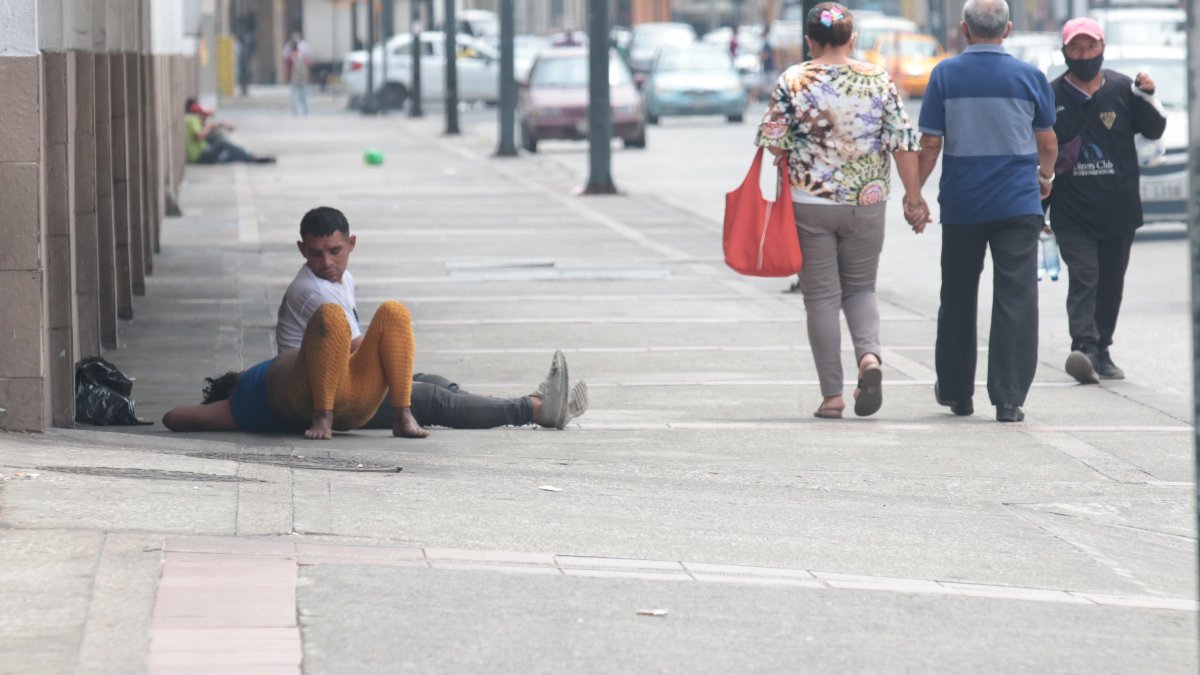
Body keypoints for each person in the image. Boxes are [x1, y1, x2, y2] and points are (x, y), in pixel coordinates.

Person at [756, 2, 925, 420]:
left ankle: (832, 396)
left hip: (809, 204)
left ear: (810, 41)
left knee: (821, 299)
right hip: (866, 204)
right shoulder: (878, 79)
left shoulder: (793, 80)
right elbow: (903, 142)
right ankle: (869, 359)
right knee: (861, 289)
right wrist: (914, 198)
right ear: (853, 40)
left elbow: (773, 143)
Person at [277, 206, 587, 430]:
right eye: (316, 254)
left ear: (352, 244)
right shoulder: (313, 291)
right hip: (325, 395)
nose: (327, 262)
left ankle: (525, 405)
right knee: (433, 399)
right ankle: (535, 409)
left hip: (345, 378)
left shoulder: (341, 279)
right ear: (303, 250)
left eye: (335, 251)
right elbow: (358, 350)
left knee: (433, 381)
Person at [916, 0, 1058, 422]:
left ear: (964, 29)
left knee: (957, 295)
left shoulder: (944, 74)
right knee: (1016, 297)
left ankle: (958, 393)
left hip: (962, 204)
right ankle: (1009, 398)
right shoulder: (1031, 76)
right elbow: (1047, 143)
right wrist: (1045, 177)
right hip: (1017, 203)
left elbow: (930, 143)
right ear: (1008, 30)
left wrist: (913, 195)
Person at [1047, 18, 1166, 384]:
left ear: (1103, 48)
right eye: (1076, 49)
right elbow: (1038, 148)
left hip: (1119, 207)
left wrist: (1146, 95)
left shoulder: (1122, 88)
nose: (1084, 55)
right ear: (1065, 52)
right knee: (1085, 275)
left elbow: (1154, 130)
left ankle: (1103, 349)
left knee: (1112, 281)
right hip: (1072, 210)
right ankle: (1083, 347)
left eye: (1091, 48)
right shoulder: (1051, 95)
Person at [163, 301, 428, 440]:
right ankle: (396, 414)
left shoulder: (242, 408)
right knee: (331, 315)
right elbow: (174, 417)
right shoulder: (237, 403)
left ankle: (403, 414)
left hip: (352, 393)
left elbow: (173, 418)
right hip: (317, 400)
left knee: (393, 312)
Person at [184, 98, 275, 164]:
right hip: (200, 157)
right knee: (222, 143)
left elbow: (205, 129)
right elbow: (199, 136)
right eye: (203, 116)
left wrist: (218, 125)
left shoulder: (191, 119)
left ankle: (252, 157)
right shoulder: (191, 119)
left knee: (230, 154)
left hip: (202, 155)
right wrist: (210, 127)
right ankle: (252, 157)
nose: (204, 119)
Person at [282, 33, 311, 116]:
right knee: (304, 96)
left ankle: (296, 112)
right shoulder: (302, 55)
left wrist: (287, 77)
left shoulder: (290, 56)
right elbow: (307, 65)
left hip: (294, 78)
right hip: (303, 78)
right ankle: (306, 111)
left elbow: (288, 68)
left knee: (294, 96)